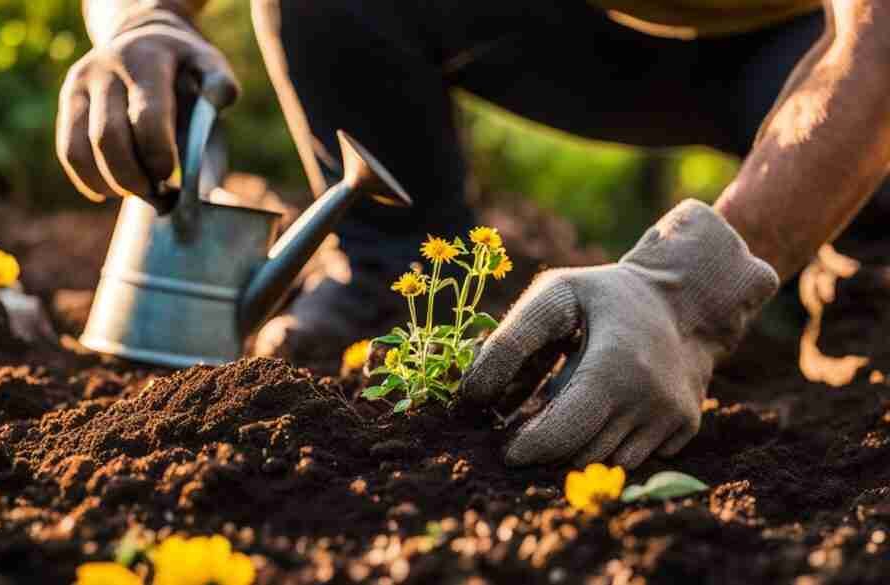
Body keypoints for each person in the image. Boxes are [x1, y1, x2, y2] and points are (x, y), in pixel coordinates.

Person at [56, 0, 890, 469]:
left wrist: (688, 293)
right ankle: (396, 279)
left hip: (813, 46)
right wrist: (143, 21)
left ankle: (868, 282)